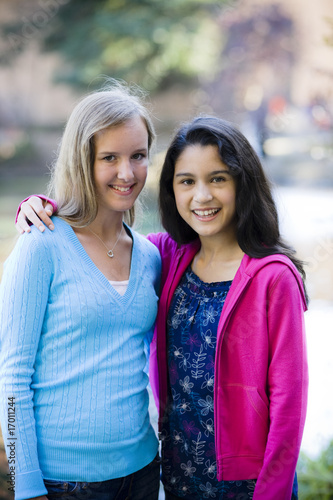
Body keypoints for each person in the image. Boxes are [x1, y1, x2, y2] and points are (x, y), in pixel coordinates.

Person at [15, 116, 308, 500]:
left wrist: (273, 492)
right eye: (187, 181)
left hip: (247, 482)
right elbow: (99, 241)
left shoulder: (273, 277)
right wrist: (43, 206)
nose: (202, 196)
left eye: (218, 178)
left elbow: (290, 401)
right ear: (171, 189)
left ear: (243, 182)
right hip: (176, 473)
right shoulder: (165, 256)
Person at [0, 82, 162, 500]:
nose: (127, 173)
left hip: (143, 472)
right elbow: (13, 376)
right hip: (65, 484)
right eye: (109, 157)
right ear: (82, 160)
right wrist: (26, 484)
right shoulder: (41, 244)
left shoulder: (150, 256)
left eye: (138, 156)